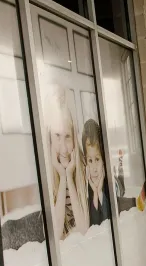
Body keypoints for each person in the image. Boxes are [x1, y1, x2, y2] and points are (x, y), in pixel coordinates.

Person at [45, 89, 89, 239]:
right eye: (57, 136)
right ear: (50, 140)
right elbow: (56, 235)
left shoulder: (83, 168)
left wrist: (69, 176)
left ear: (74, 139)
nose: (63, 148)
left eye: (68, 137)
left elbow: (84, 231)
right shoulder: (48, 174)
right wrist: (62, 177)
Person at [82, 119, 112, 226]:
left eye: (97, 159)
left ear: (103, 160)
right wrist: (95, 193)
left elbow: (108, 221)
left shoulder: (111, 186)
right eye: (90, 161)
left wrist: (99, 192)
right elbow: (94, 227)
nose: (94, 168)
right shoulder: (85, 189)